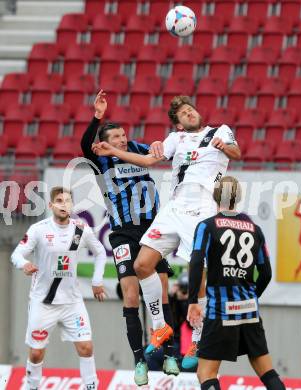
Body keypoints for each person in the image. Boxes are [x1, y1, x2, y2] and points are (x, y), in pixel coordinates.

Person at [92, 95, 241, 370]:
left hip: (203, 205)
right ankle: (160, 327)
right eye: (183, 114)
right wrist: (114, 152)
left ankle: (197, 339)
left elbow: (236, 154)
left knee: (202, 270)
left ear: (197, 112)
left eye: (190, 110)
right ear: (179, 124)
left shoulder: (218, 131)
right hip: (174, 206)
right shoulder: (176, 139)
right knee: (142, 265)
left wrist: (225, 146)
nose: (188, 114)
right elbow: (148, 160)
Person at [81, 90, 179, 386]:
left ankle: (170, 353)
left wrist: (161, 143)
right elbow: (85, 144)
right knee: (132, 296)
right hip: (123, 232)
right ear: (104, 144)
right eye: (117, 138)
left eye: (124, 135)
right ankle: (139, 361)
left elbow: (157, 154)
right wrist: (97, 116)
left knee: (163, 292)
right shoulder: (101, 160)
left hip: (153, 229)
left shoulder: (136, 148)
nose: (123, 140)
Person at [187, 176, 286, 390]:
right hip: (250, 311)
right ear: (238, 197)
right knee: (267, 371)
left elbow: (196, 261)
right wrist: (249, 297)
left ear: (215, 197)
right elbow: (266, 273)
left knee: (206, 373)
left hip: (220, 312)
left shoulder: (207, 226)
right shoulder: (255, 229)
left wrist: (193, 300)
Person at [11, 187, 107, 390]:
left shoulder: (80, 229)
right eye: (60, 201)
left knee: (86, 347)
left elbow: (99, 252)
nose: (65, 205)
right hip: (43, 302)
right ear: (51, 205)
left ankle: (92, 387)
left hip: (72, 302)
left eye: (68, 201)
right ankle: (31, 387)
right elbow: (16, 255)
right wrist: (24, 264)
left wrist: (97, 281)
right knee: (36, 353)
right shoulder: (39, 229)